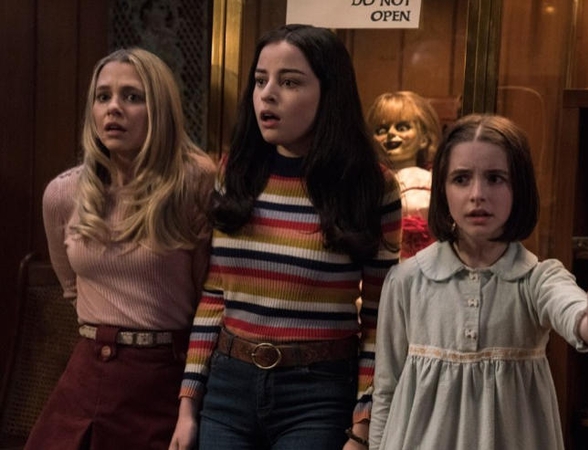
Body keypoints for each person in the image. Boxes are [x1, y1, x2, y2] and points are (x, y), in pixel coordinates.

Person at [169, 24, 402, 450]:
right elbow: (216, 294)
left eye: (289, 82)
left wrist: (364, 423)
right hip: (229, 385)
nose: (268, 95)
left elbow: (379, 318)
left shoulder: (370, 185)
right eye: (260, 81)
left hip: (318, 391)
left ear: (329, 93)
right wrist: (188, 404)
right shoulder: (236, 171)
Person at [369, 114, 588, 450]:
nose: (477, 194)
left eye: (495, 178)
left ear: (519, 188)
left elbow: (570, 308)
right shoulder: (407, 280)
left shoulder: (536, 278)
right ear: (442, 189)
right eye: (461, 179)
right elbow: (386, 389)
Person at [26, 47, 216, 450]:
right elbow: (71, 287)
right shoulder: (63, 194)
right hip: (88, 366)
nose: (114, 108)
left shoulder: (194, 182)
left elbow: (210, 295)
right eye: (103, 96)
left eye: (132, 96)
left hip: (166, 372)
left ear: (160, 109)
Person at [366, 91, 442, 258]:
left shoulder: (429, 181)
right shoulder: (369, 182)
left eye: (402, 128)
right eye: (381, 130)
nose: (391, 134)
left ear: (424, 138)